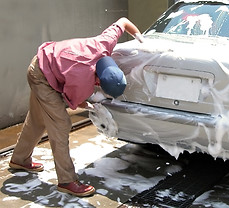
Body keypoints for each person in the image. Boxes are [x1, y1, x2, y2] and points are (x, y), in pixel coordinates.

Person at [8, 17, 143, 197]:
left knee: (37, 120)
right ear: (97, 78)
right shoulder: (81, 79)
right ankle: (67, 181)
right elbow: (73, 102)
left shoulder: (104, 43)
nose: (96, 86)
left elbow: (124, 22)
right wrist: (91, 103)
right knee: (61, 124)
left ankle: (19, 159)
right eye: (98, 84)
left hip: (45, 61)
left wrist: (140, 38)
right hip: (42, 77)